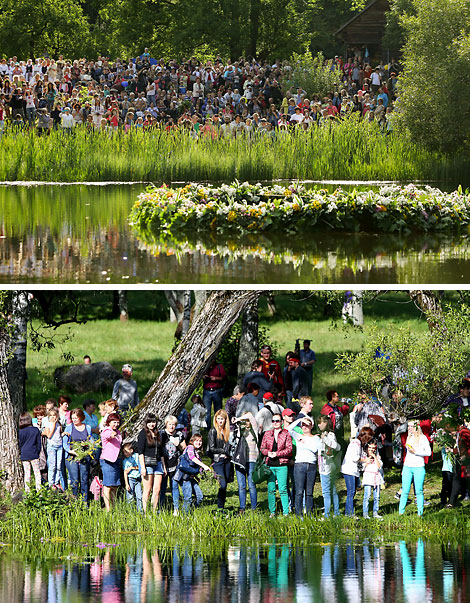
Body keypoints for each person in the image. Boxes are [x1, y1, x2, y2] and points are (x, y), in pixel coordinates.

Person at [286, 415, 320, 516]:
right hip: (299, 465)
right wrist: (300, 419)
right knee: (299, 491)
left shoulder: (316, 438)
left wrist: (305, 444)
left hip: (311, 466)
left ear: (311, 426)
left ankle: (309, 514)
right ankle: (298, 514)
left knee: (309, 492)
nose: (304, 427)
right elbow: (288, 429)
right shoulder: (298, 436)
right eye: (303, 425)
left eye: (307, 425)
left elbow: (315, 450)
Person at [260, 412, 293, 517]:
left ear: (281, 422)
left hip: (282, 464)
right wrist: (268, 453)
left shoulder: (286, 433)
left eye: (277, 421)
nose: (275, 423)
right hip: (270, 465)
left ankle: (285, 512)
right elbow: (262, 448)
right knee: (271, 489)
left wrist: (277, 454)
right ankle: (272, 512)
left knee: (283, 489)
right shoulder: (267, 433)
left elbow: (289, 449)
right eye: (273, 421)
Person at [398, 420, 432, 516]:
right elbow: (407, 454)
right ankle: (401, 513)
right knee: (405, 490)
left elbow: (428, 452)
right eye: (408, 426)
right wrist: (404, 467)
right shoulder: (409, 437)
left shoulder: (423, 438)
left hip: (418, 467)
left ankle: (420, 513)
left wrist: (415, 451)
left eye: (412, 426)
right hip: (407, 467)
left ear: (417, 427)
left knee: (419, 490)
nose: (410, 428)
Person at [137, 414, 167, 513]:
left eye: (153, 422)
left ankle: (154, 511)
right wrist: (143, 467)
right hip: (147, 463)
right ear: (146, 423)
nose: (152, 424)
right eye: (149, 422)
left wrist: (164, 467)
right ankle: (145, 512)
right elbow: (140, 452)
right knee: (147, 488)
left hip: (158, 463)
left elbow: (162, 451)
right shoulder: (142, 434)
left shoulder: (159, 433)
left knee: (157, 489)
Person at [341, 426, 374, 517]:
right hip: (349, 470)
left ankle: (349, 512)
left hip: (354, 471)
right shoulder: (355, 443)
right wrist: (365, 460)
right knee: (351, 492)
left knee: (353, 492)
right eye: (369, 437)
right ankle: (349, 513)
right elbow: (354, 457)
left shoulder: (361, 444)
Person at [175, 433, 212, 512]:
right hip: (185, 478)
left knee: (200, 497)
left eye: (200, 441)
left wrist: (196, 476)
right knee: (188, 498)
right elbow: (192, 458)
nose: (198, 443)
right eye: (196, 440)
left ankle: (190, 510)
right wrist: (204, 466)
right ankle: (185, 516)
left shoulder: (196, 451)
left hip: (191, 478)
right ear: (192, 441)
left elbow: (191, 467)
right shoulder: (190, 448)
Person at [231, 412, 259, 512]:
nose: (245, 423)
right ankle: (242, 507)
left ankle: (254, 508)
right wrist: (238, 426)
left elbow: (250, 415)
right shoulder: (238, 432)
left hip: (251, 460)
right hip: (240, 460)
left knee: (251, 485)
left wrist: (238, 418)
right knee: (241, 485)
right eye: (244, 421)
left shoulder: (254, 430)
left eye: (246, 421)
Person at [63, 408, 92, 502]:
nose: (74, 420)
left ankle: (85, 501)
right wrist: (71, 451)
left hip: (84, 455)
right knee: (74, 479)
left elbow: (91, 440)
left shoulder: (87, 427)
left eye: (76, 418)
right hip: (72, 456)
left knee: (84, 479)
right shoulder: (69, 428)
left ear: (81, 418)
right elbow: (65, 443)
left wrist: (88, 446)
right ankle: (74, 500)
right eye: (73, 418)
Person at [160, 414, 186, 514]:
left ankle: (176, 509)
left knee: (174, 486)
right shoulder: (162, 434)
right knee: (162, 487)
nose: (171, 427)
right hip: (163, 464)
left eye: (173, 425)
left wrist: (178, 444)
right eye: (170, 424)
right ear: (166, 424)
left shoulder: (179, 434)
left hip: (176, 464)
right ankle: (161, 508)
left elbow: (185, 448)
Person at [207, 409, 232, 511]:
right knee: (223, 484)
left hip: (227, 461)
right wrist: (224, 451)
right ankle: (219, 507)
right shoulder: (213, 431)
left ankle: (222, 506)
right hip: (218, 461)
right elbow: (211, 448)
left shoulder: (227, 431)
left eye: (222, 419)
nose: (220, 421)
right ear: (215, 419)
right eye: (218, 419)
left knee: (226, 484)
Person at [317, 415, 341, 518]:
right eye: (318, 423)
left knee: (326, 491)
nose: (319, 425)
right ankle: (336, 512)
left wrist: (325, 439)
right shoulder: (321, 435)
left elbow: (336, 446)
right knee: (333, 490)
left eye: (321, 422)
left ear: (326, 423)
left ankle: (327, 514)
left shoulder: (330, 435)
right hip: (323, 465)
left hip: (327, 466)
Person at [100, 412, 123, 511]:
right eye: (114, 422)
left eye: (117, 422)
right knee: (108, 485)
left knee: (114, 486)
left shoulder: (118, 432)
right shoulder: (106, 430)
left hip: (116, 460)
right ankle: (108, 508)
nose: (116, 424)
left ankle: (113, 506)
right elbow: (109, 435)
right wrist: (113, 434)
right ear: (109, 422)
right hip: (107, 461)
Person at [320, 390, 350, 455]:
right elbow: (323, 420)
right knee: (336, 449)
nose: (338, 398)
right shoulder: (326, 409)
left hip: (339, 432)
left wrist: (346, 404)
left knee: (343, 448)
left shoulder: (337, 408)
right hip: (332, 433)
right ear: (332, 398)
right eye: (337, 396)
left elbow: (343, 412)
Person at [18, 412, 42, 492]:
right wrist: (37, 452)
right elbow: (39, 444)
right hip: (34, 454)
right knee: (37, 474)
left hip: (24, 455)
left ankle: (27, 492)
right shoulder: (35, 430)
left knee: (27, 474)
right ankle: (39, 491)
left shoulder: (20, 431)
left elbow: (20, 443)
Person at [362, 439, 384, 519]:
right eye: (370, 448)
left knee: (376, 497)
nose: (371, 450)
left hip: (376, 478)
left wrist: (375, 457)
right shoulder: (364, 457)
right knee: (367, 496)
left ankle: (375, 512)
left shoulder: (377, 457)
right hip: (368, 478)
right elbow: (363, 467)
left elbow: (379, 466)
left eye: (373, 448)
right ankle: (365, 513)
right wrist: (368, 461)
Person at [202, 359, 227, 429]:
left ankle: (218, 427)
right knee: (206, 411)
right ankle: (207, 428)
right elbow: (200, 375)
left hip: (217, 390)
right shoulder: (205, 366)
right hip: (207, 391)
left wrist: (216, 378)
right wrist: (203, 377)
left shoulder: (219, 366)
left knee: (218, 411)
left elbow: (224, 377)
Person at [43, 408, 64, 489]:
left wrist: (63, 433)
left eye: (54, 415)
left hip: (59, 446)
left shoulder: (59, 423)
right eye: (51, 415)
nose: (52, 417)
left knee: (58, 465)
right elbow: (49, 435)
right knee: (52, 465)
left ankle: (57, 481)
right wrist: (53, 426)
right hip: (52, 446)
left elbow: (59, 434)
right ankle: (51, 483)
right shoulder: (48, 424)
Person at [122, 443, 143, 512]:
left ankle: (140, 511)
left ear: (131, 450)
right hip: (130, 479)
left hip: (138, 479)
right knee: (130, 496)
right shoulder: (125, 461)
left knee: (139, 496)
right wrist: (126, 484)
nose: (125, 454)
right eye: (124, 452)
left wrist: (132, 468)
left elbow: (140, 467)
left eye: (126, 451)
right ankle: (130, 511)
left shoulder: (137, 456)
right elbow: (125, 472)